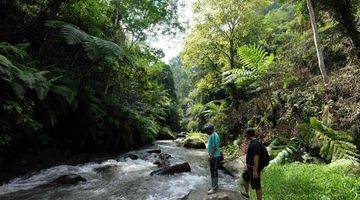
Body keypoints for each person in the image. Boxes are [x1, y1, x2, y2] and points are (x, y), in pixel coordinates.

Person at [241, 128, 263, 200]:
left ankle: (259, 199)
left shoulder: (255, 144)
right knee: (244, 177)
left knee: (257, 185)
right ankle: (246, 194)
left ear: (248, 134)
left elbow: (256, 157)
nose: (245, 136)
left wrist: (255, 171)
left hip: (254, 168)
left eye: (246, 134)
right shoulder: (252, 142)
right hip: (250, 167)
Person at [203, 124, 221, 195]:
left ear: (210, 129)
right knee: (213, 171)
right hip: (214, 156)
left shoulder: (213, 136)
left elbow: (214, 147)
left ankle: (215, 188)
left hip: (214, 156)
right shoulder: (213, 135)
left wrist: (210, 155)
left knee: (214, 171)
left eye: (207, 130)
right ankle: (214, 186)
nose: (206, 132)